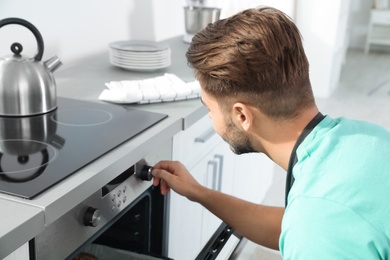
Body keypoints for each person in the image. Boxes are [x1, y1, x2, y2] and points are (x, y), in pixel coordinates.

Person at [152, 6, 390, 259]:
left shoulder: (316, 226)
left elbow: (313, 227)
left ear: (242, 116)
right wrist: (199, 193)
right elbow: (299, 223)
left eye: (209, 108)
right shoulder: (367, 138)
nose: (210, 116)